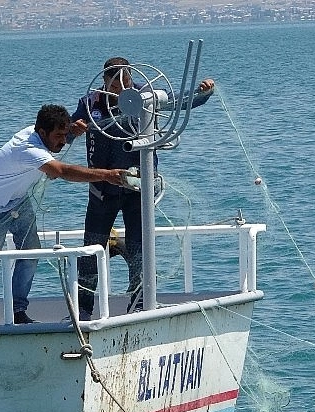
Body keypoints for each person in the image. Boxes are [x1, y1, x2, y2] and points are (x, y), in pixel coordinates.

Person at [0, 104, 128, 327]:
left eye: (64, 134)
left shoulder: (40, 134)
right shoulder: (28, 149)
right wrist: (106, 175)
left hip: (17, 201)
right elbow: (61, 171)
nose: (62, 141)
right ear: (42, 132)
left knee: (31, 253)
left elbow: (60, 141)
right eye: (58, 136)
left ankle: (18, 311)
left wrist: (73, 130)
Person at [71, 56, 216, 319]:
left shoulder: (146, 96)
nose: (118, 84)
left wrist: (203, 93)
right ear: (103, 79)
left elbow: (178, 100)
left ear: (131, 76)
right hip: (102, 189)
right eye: (112, 78)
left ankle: (138, 302)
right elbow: (70, 130)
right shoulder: (89, 103)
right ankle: (83, 308)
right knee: (91, 248)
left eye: (124, 77)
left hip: (138, 187)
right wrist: (74, 128)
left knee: (140, 246)